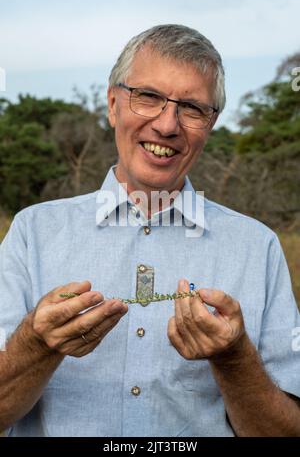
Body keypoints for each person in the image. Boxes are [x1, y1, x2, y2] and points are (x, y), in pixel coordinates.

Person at [0, 24, 299, 437]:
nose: (167, 125)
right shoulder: (32, 231)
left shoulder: (258, 246)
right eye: (149, 97)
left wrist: (234, 359)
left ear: (210, 125)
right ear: (112, 104)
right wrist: (35, 344)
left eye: (192, 108)